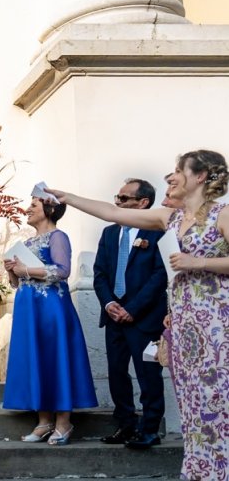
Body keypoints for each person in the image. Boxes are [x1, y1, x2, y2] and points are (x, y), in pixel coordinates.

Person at [50, 150, 229, 479]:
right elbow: (112, 212)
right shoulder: (168, 219)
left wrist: (198, 262)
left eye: (179, 170)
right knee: (193, 406)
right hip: (185, 325)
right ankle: (201, 472)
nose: (171, 176)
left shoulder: (223, 214)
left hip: (218, 323)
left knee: (218, 403)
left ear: (201, 176)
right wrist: (70, 198)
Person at [2, 197, 97, 445]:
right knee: (35, 358)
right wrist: (12, 271)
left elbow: (63, 271)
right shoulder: (25, 243)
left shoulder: (58, 237)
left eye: (34, 205)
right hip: (28, 309)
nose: (28, 209)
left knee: (56, 357)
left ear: (50, 209)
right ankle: (44, 422)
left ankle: (64, 423)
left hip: (50, 308)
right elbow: (17, 283)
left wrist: (27, 270)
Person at [92, 179, 167, 449]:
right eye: (117, 197)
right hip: (113, 317)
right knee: (116, 373)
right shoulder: (109, 233)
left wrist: (132, 309)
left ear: (143, 203)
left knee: (148, 375)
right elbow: (99, 273)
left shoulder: (158, 232)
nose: (117, 203)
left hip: (143, 318)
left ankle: (149, 429)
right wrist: (109, 303)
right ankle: (125, 425)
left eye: (124, 199)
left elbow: (160, 276)